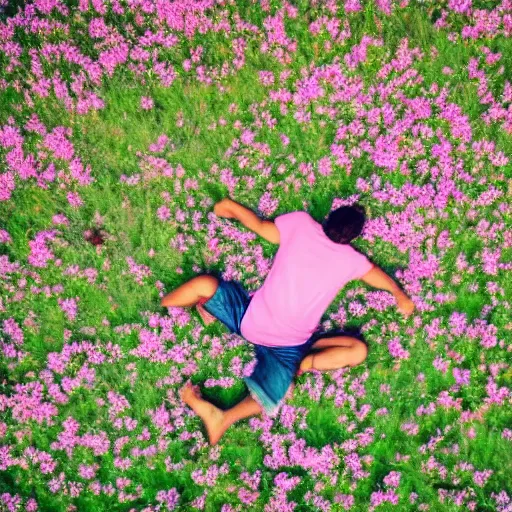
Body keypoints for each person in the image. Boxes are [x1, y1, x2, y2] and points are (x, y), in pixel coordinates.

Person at [161, 198, 415, 445]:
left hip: (251, 322)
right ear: (352, 240)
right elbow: (376, 276)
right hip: (289, 343)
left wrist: (228, 206)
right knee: (343, 358)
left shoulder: (302, 224)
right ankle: (233, 412)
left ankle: (170, 306)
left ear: (328, 218)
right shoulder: (352, 260)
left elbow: (261, 227)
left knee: (204, 285)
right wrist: (400, 295)